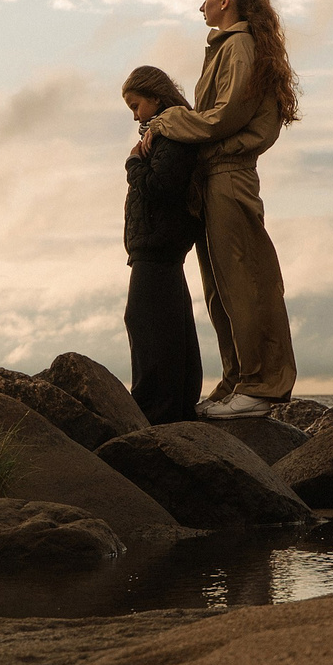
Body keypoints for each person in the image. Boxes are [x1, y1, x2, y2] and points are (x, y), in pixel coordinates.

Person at [138, 0, 300, 419]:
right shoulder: (227, 48)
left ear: (224, 0)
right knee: (220, 289)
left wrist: (166, 120)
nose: (202, 4)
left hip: (229, 175)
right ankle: (236, 380)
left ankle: (260, 386)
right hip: (213, 178)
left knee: (245, 282)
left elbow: (225, 117)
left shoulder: (240, 46)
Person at [120, 65, 205, 425]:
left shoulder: (170, 132)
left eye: (136, 105)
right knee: (168, 323)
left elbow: (162, 185)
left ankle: (158, 407)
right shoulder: (165, 130)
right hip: (158, 245)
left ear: (155, 98)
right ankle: (176, 404)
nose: (135, 115)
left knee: (146, 322)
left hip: (158, 244)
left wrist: (133, 163)